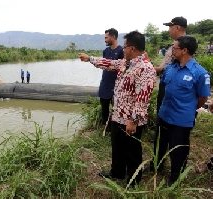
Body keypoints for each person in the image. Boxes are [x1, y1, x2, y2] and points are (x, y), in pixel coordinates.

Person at [79, 31, 157, 187]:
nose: (123, 49)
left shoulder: (145, 69)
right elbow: (109, 63)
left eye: (125, 46)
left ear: (133, 48)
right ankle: (117, 171)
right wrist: (90, 59)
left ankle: (134, 181)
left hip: (130, 120)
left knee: (132, 151)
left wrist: (133, 121)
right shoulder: (126, 63)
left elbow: (142, 99)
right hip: (117, 116)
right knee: (118, 147)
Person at [157, 35, 211, 186]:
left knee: (178, 148)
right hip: (164, 113)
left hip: (181, 119)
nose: (172, 50)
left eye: (175, 48)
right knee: (161, 142)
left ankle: (176, 176)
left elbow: (203, 98)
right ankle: (158, 164)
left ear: (184, 50)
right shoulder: (170, 68)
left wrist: (188, 108)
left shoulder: (200, 73)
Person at [145, 16, 188, 171]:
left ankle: (165, 165)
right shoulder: (174, 46)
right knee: (161, 123)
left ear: (177, 27)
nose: (169, 30)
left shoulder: (184, 46)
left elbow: (168, 69)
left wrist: (150, 69)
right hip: (166, 84)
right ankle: (158, 162)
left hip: (172, 87)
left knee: (169, 127)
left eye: (170, 27)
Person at [99, 28, 124, 129]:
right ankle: (106, 128)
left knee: (116, 108)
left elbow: (123, 68)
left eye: (106, 37)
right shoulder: (106, 51)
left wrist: (113, 67)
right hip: (105, 84)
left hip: (116, 85)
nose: (105, 40)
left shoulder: (121, 51)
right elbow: (104, 65)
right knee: (104, 107)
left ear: (113, 37)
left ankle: (116, 127)